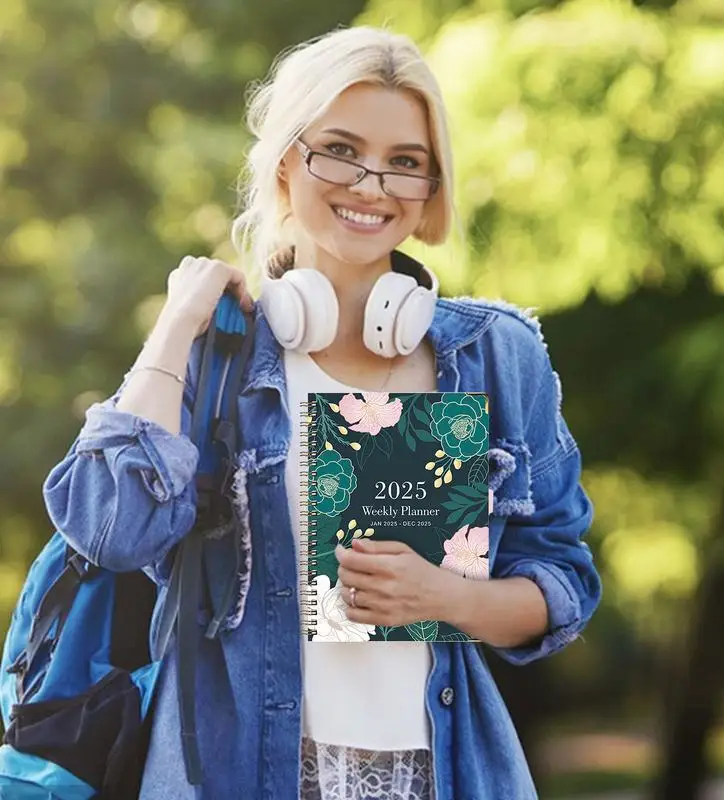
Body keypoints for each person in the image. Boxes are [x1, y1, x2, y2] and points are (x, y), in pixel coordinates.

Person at [43, 25, 601, 800]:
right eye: (339, 149)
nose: (371, 185)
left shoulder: (496, 355)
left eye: (405, 163)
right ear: (284, 162)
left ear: (431, 188)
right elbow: (109, 528)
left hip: (440, 773)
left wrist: (447, 598)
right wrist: (175, 326)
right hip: (237, 773)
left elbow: (562, 580)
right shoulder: (217, 356)